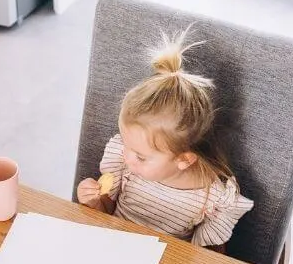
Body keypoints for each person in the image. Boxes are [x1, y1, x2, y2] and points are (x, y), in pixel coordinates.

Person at [76, 31, 252, 250]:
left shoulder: (214, 197)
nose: (128, 158)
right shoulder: (124, 162)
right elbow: (106, 214)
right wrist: (93, 200)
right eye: (126, 145)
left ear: (184, 160)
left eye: (140, 156)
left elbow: (208, 259)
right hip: (111, 248)